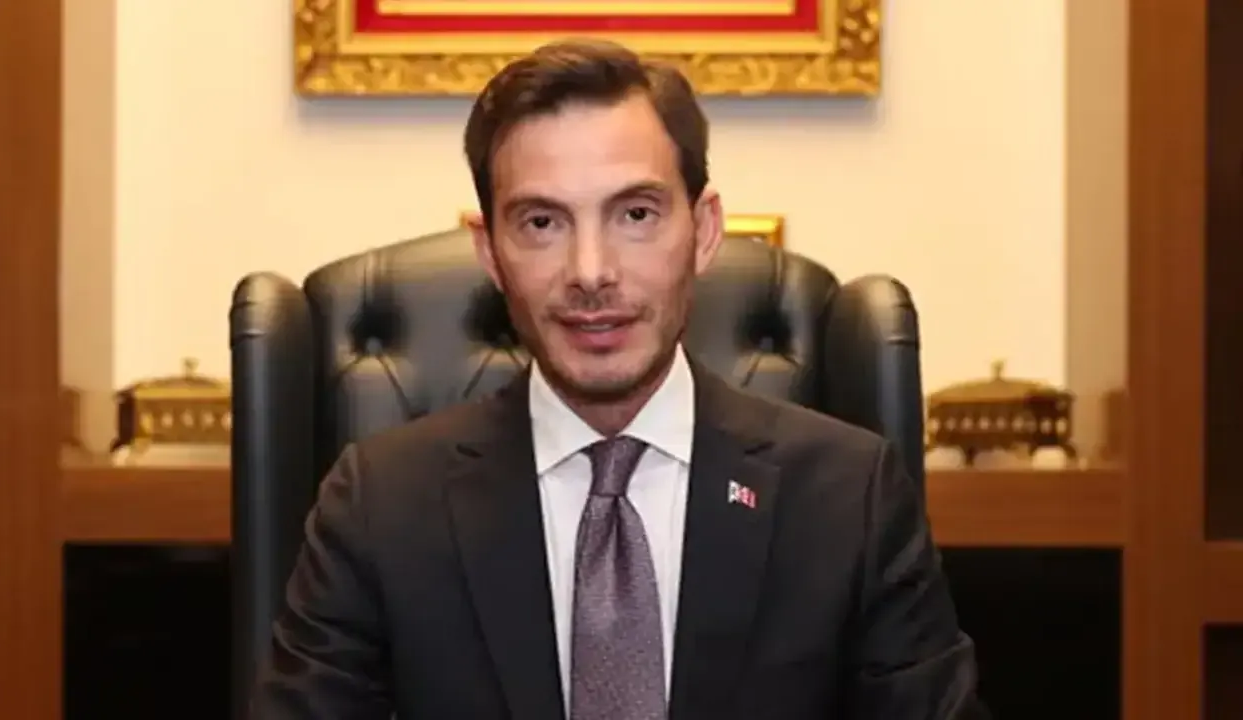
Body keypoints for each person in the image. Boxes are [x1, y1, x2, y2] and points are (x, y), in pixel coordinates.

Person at [251, 38, 986, 720]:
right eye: (542, 223)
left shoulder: (849, 498)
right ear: (490, 252)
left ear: (703, 231)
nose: (591, 271)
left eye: (635, 213)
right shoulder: (379, 504)